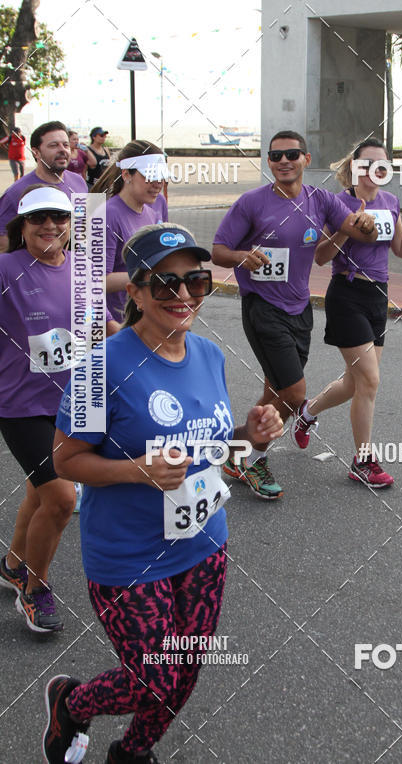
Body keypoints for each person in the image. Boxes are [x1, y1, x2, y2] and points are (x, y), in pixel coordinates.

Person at [42, 222, 283, 764]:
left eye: (195, 282)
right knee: (153, 678)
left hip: (204, 544)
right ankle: (71, 703)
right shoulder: (98, 368)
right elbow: (65, 459)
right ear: (135, 293)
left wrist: (249, 435)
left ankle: (131, 753)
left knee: (185, 671)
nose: (182, 296)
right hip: (128, 557)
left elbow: (211, 448)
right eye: (163, 284)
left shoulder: (208, 354)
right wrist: (136, 471)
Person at [211, 129, 378, 501]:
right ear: (269, 162)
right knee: (294, 393)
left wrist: (364, 225)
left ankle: (234, 446)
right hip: (262, 307)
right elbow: (218, 250)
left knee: (276, 389)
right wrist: (242, 257)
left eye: (292, 155)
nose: (284, 161)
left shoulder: (321, 200)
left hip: (300, 308)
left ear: (305, 159)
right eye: (276, 156)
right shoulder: (251, 203)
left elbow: (356, 227)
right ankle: (254, 460)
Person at [0, 186, 117, 632]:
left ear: (71, 223)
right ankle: (34, 589)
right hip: (21, 405)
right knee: (62, 498)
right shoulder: (7, 269)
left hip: (76, 401)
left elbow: (105, 327)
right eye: (38, 218)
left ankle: (12, 564)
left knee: (40, 490)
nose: (50, 225)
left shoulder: (83, 271)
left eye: (59, 217)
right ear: (22, 226)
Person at [293, 139, 402, 487]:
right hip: (347, 294)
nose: (374, 170)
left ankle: (306, 413)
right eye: (367, 163)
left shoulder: (390, 202)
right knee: (370, 381)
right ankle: (363, 461)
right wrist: (348, 227)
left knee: (354, 382)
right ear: (355, 167)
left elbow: (400, 249)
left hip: (378, 296)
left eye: (381, 164)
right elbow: (321, 257)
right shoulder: (338, 203)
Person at [92, 140, 169, 321]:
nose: (159, 183)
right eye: (150, 176)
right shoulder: (106, 215)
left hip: (153, 315)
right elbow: (96, 281)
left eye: (162, 175)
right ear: (127, 175)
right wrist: (148, 276)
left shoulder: (159, 203)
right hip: (120, 321)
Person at [0, 120, 87, 253]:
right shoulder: (15, 192)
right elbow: (4, 242)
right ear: (36, 152)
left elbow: (85, 228)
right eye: (54, 145)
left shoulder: (79, 182)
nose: (62, 150)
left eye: (65, 145)